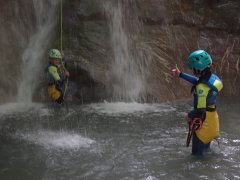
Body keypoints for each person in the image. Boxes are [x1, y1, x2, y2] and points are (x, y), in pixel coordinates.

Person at [172, 50, 223, 156]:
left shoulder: (201, 88)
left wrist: (188, 115)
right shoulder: (213, 79)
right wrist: (180, 74)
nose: (193, 71)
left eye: (193, 69)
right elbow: (198, 81)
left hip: (203, 123)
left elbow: (200, 110)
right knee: (207, 152)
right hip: (213, 122)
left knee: (196, 157)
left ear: (198, 68)